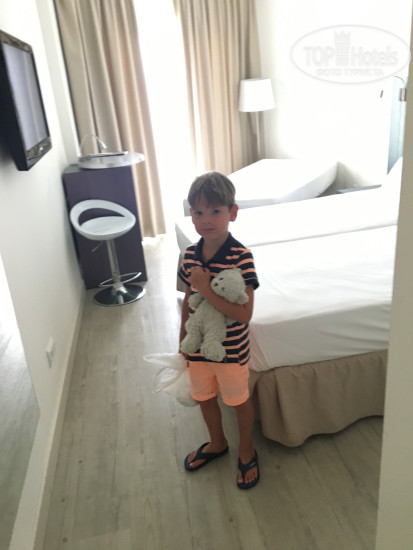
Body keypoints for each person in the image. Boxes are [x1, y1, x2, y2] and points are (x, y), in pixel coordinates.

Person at [178, 171, 260, 489]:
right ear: (191, 214)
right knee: (204, 397)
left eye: (215, 210)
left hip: (231, 351)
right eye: (199, 212)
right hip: (197, 349)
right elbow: (188, 301)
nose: (206, 219)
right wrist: (182, 342)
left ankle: (246, 449)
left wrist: (205, 287)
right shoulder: (189, 255)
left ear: (232, 212)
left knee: (238, 401)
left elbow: (244, 314)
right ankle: (217, 442)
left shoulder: (242, 257)